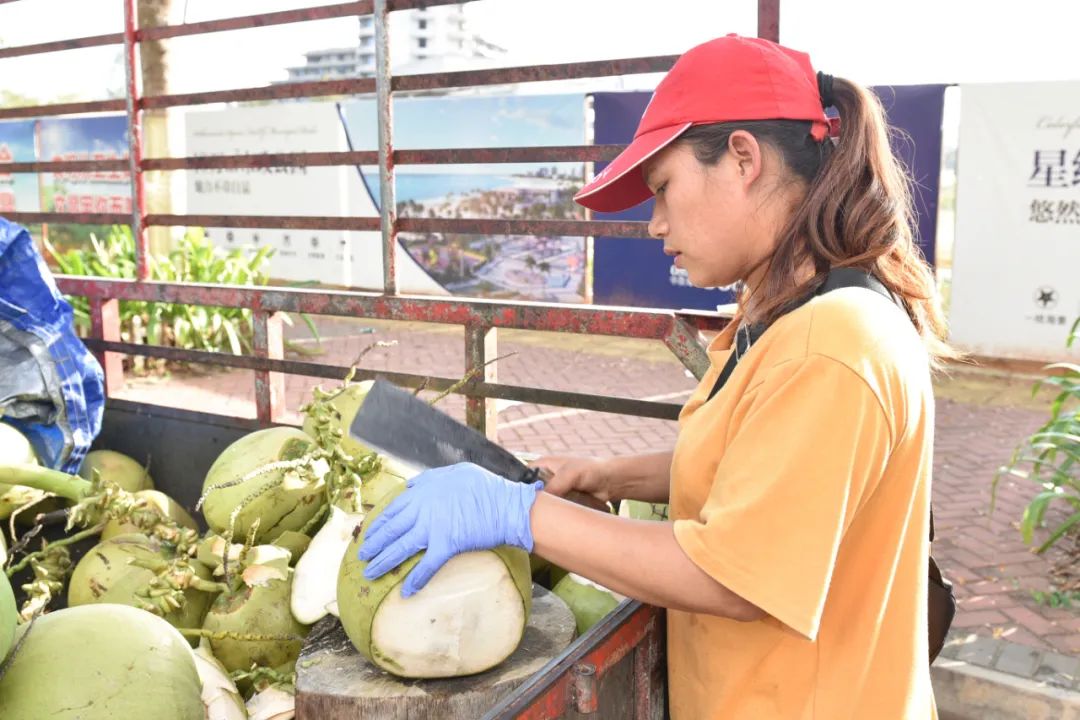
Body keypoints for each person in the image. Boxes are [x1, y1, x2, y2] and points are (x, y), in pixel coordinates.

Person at [358, 33, 953, 719]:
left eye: (664, 188)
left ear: (742, 159)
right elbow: (764, 463)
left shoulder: (829, 341)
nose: (656, 223)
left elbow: (730, 576)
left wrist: (517, 513)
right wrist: (612, 476)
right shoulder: (797, 317)